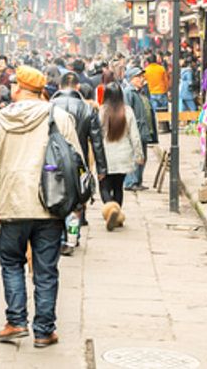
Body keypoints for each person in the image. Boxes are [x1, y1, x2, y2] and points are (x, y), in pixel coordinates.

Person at [0, 66, 83, 349]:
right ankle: (43, 330)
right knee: (46, 270)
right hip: (49, 205)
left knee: (12, 264)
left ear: (17, 89)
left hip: (12, 205)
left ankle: (15, 321)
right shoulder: (60, 117)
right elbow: (74, 160)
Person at [50, 71, 108, 256]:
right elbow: (97, 141)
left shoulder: (49, 106)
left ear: (59, 87)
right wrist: (101, 168)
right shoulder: (87, 108)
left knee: (55, 198)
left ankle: (57, 237)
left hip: (53, 161)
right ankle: (72, 238)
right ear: (77, 87)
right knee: (76, 204)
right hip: (79, 161)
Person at [99, 82, 143, 231]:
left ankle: (111, 210)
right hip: (123, 156)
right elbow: (135, 136)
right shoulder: (128, 111)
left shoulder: (101, 112)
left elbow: (96, 136)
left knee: (104, 186)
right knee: (118, 187)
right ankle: (116, 215)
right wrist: (139, 155)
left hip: (106, 156)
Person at [122, 67, 152, 191]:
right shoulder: (129, 92)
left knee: (142, 156)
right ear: (131, 79)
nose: (141, 79)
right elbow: (127, 112)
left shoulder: (140, 92)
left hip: (143, 129)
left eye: (142, 77)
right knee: (135, 156)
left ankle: (138, 180)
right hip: (135, 129)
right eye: (138, 77)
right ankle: (131, 182)